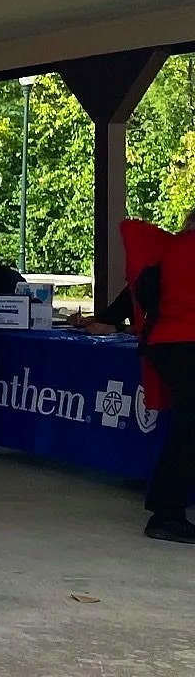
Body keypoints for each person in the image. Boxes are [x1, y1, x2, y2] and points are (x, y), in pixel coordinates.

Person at [125, 208, 195, 544]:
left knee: (185, 427)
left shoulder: (175, 246)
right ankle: (166, 514)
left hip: (168, 343)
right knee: (187, 431)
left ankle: (165, 509)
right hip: (187, 343)